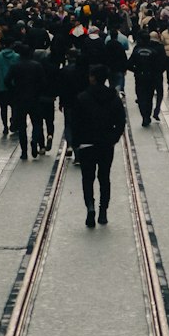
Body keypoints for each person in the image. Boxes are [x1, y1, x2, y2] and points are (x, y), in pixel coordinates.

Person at [71, 64, 126, 228]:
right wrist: (114, 138)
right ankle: (103, 211)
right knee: (104, 178)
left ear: (93, 78)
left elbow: (75, 123)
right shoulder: (114, 98)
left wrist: (76, 143)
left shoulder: (82, 97)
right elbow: (121, 121)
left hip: (87, 144)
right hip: (106, 144)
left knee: (87, 179)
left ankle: (90, 207)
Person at [127, 30, 164, 127]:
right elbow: (158, 66)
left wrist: (136, 70)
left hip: (139, 77)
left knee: (140, 97)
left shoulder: (136, 50)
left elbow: (129, 64)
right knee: (149, 97)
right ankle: (147, 115)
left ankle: (144, 116)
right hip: (151, 77)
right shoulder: (154, 52)